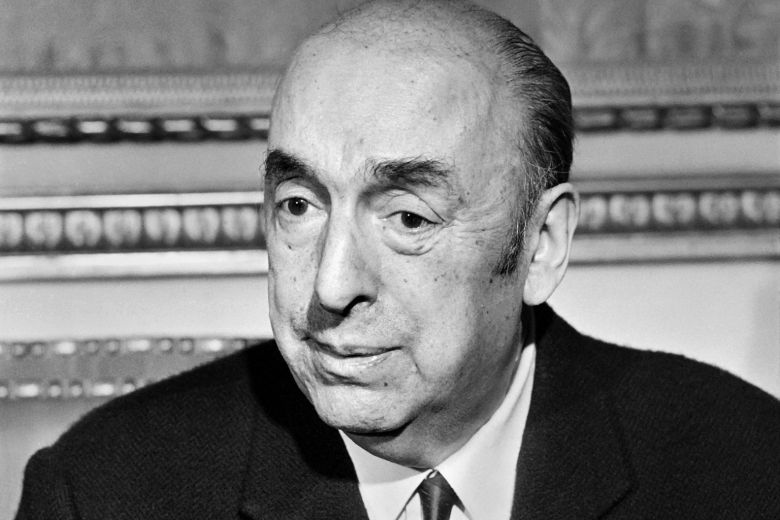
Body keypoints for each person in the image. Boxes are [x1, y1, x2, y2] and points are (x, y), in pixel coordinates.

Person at [15, 1, 780, 519]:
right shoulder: (104, 491)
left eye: (408, 218)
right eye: (299, 206)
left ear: (541, 245)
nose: (330, 285)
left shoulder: (743, 468)